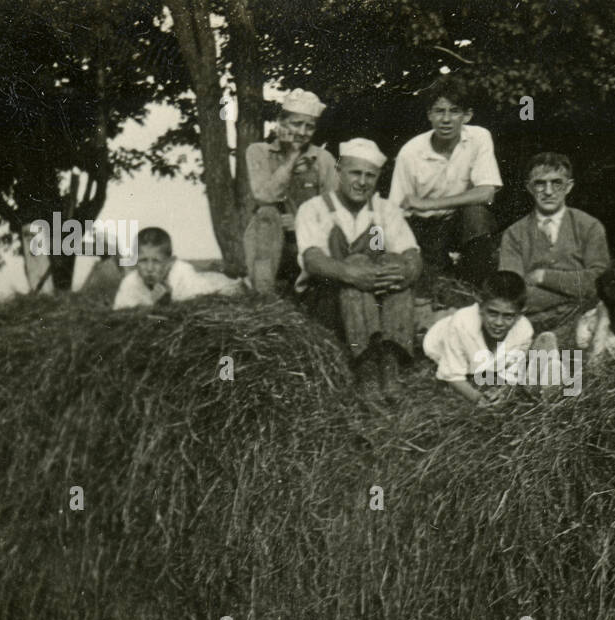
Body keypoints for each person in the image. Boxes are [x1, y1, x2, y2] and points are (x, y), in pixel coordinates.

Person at [296, 138, 423, 395]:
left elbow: (412, 254)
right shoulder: (315, 208)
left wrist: (405, 270)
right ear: (339, 172)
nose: (362, 182)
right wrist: (352, 273)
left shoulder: (386, 210)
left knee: (395, 264)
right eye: (355, 173)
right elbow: (312, 259)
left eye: (370, 175)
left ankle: (389, 362)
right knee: (357, 262)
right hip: (328, 300)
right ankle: (365, 366)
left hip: (376, 299)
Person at [389, 75, 501, 292]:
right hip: (424, 228)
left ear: (467, 115)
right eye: (439, 111)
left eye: (454, 111)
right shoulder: (411, 153)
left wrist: (427, 203)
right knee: (432, 286)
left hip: (459, 224)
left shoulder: (479, 138)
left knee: (477, 214)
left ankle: (476, 289)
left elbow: (487, 192)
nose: (446, 119)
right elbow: (397, 211)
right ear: (429, 115)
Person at [244, 89, 338, 295]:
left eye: (309, 127)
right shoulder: (258, 152)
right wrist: (292, 158)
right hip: (267, 241)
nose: (303, 132)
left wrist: (298, 223)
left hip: (311, 240)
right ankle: (264, 298)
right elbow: (264, 195)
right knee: (267, 214)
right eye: (297, 124)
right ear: (281, 123)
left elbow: (334, 211)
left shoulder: (324, 160)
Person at [498, 152, 609, 325]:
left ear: (569, 186)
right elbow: (512, 294)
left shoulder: (589, 226)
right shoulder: (514, 234)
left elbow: (599, 282)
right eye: (540, 184)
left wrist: (543, 276)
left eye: (557, 183)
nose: (548, 191)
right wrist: (572, 291)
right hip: (531, 322)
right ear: (529, 187)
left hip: (583, 319)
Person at [423, 271, 534, 406]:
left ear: (520, 314)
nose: (499, 322)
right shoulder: (461, 324)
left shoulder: (524, 330)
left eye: (508, 316)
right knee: (436, 323)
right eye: (492, 313)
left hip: (484, 360)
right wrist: (477, 398)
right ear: (480, 306)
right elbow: (451, 374)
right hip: (440, 337)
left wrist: (502, 391)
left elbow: (511, 372)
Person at [113, 227, 245, 309]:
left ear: (170, 261)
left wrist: (167, 305)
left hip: (221, 287)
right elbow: (120, 316)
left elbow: (197, 314)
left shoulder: (183, 275)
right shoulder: (130, 282)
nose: (149, 268)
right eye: (143, 261)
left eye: (156, 261)